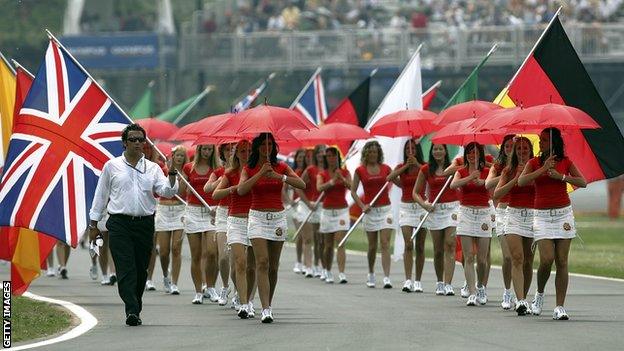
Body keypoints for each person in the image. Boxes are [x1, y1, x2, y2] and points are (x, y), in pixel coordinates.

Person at [89, 123, 178, 326]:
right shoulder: (112, 166)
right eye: (133, 139)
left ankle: (135, 303)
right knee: (126, 267)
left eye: (141, 140)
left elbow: (167, 191)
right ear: (124, 143)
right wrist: (93, 224)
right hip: (119, 223)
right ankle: (131, 309)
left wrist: (172, 175)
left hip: (144, 223)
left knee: (140, 269)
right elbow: (100, 196)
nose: (138, 143)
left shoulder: (153, 168)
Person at [519, 128, 586, 320]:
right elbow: (522, 181)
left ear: (554, 142)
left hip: (563, 214)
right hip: (541, 215)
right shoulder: (533, 162)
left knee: (562, 261)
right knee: (547, 259)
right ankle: (539, 294)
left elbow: (583, 182)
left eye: (544, 140)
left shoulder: (566, 162)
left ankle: (559, 306)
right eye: (540, 140)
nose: (541, 143)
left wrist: (561, 177)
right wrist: (542, 169)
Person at [237, 133, 305, 323]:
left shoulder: (281, 166)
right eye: (263, 144)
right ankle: (265, 308)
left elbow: (302, 184)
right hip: (257, 217)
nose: (267, 148)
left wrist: (279, 176)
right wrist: (260, 173)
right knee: (262, 262)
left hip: (277, 218)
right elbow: (242, 190)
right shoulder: (248, 168)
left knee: (273, 267)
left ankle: (269, 303)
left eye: (270, 144)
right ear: (257, 147)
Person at [213, 140, 256, 318]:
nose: (245, 154)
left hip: (255, 220)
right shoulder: (230, 173)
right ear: (236, 154)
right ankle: (244, 303)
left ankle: (250, 301)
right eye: (242, 151)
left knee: (252, 267)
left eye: (248, 151)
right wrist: (232, 189)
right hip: (235, 220)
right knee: (239, 263)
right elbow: (215, 194)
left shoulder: (257, 172)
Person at [494, 136, 535, 316]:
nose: (521, 151)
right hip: (513, 215)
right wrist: (515, 179)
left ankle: (524, 297)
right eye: (518, 148)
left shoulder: (536, 167)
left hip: (532, 216)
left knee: (528, 261)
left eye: (525, 148)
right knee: (516, 257)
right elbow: (497, 193)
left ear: (530, 150)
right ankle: (520, 301)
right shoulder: (508, 170)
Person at [413, 143, 458, 296]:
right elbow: (416, 193)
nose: (438, 152)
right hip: (435, 210)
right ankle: (439, 281)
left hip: (452, 209)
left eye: (441, 149)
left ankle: (448, 283)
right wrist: (424, 204)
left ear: (446, 151)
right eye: (435, 149)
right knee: (438, 250)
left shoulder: (453, 167)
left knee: (450, 245)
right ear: (431, 151)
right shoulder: (425, 169)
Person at [450, 142, 491, 306]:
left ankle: (481, 287)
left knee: (482, 259)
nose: (472, 155)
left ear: (480, 155)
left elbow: (494, 182)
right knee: (468, 256)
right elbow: (454, 184)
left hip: (483, 214)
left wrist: (483, 182)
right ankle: (472, 292)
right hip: (466, 213)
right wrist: (470, 177)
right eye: (469, 152)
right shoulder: (461, 171)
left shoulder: (488, 171)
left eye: (475, 152)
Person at [351, 140, 394, 289]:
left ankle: (387, 277)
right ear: (366, 154)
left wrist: (398, 172)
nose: (372, 154)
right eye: (369, 152)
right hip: (370, 211)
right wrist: (362, 205)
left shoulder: (386, 168)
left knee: (385, 243)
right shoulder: (360, 170)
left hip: (385, 209)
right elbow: (353, 191)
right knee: (372, 246)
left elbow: (400, 183)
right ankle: (371, 273)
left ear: (379, 153)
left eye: (375, 152)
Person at [387, 139, 427, 293]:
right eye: (407, 149)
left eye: (413, 148)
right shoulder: (401, 168)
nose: (410, 151)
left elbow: (429, 176)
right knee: (408, 244)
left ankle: (418, 280)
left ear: (417, 150)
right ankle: (408, 279)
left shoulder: (423, 166)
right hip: (406, 208)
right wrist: (406, 166)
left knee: (421, 246)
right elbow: (390, 178)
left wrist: (417, 164)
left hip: (421, 206)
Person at [183, 144, 218, 304]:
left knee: (212, 252)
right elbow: (181, 190)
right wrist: (175, 173)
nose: (207, 152)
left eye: (210, 149)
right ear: (198, 150)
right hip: (193, 212)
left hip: (211, 211)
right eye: (204, 149)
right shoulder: (189, 167)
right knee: (195, 255)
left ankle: (210, 286)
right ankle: (198, 291)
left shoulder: (218, 168)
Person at [485, 134, 515, 309]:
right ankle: (507, 291)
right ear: (503, 148)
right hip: (503, 212)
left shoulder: (525, 165)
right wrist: (507, 174)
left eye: (514, 146)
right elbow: (488, 184)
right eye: (508, 146)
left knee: (522, 258)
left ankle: (521, 294)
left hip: (523, 212)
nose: (510, 149)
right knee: (508, 257)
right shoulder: (498, 166)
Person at [203, 143, 235, 305]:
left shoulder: (244, 171)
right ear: (222, 153)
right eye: (228, 149)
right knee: (223, 257)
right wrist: (222, 179)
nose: (232, 152)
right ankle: (225, 286)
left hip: (240, 213)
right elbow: (207, 188)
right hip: (223, 213)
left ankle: (238, 291)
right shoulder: (218, 172)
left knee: (237, 258)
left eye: (234, 149)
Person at [155, 145, 188, 295]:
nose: (179, 158)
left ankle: (175, 283)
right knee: (163, 251)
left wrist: (181, 179)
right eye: (177, 155)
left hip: (179, 210)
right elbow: (163, 190)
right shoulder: (164, 171)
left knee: (176, 248)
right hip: (164, 209)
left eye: (182, 155)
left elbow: (180, 193)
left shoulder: (186, 172)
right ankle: (165, 275)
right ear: (172, 156)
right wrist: (171, 173)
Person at [317, 147, 352, 284]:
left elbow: (351, 186)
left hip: (342, 211)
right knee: (328, 245)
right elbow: (319, 188)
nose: (331, 159)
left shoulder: (345, 172)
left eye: (333, 156)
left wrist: (342, 178)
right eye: (329, 156)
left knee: (341, 242)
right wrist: (332, 181)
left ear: (337, 158)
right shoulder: (323, 174)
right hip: (327, 211)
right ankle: (327, 270)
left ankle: (342, 273)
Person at [296, 145, 325, 278]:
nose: (321, 154)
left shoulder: (329, 170)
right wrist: (308, 203)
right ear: (315, 154)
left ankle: (317, 265)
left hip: (322, 206)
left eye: (324, 152)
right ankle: (308, 266)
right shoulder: (310, 169)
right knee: (308, 238)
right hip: (308, 205)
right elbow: (298, 187)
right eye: (319, 152)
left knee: (320, 239)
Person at [290, 148, 307, 274]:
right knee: (300, 234)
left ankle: (308, 262)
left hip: (307, 205)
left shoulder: (309, 171)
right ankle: (298, 261)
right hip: (297, 207)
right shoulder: (294, 172)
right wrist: (289, 201)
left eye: (303, 157)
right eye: (299, 157)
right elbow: (284, 189)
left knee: (307, 236)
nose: (301, 160)